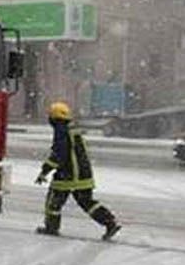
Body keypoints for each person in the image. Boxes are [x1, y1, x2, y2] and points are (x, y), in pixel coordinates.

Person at [34, 102, 122, 241]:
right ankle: (110, 222)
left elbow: (59, 153)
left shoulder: (61, 130)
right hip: (84, 173)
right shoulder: (72, 129)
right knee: (87, 202)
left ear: (53, 117)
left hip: (68, 175)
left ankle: (51, 228)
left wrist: (45, 170)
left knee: (54, 202)